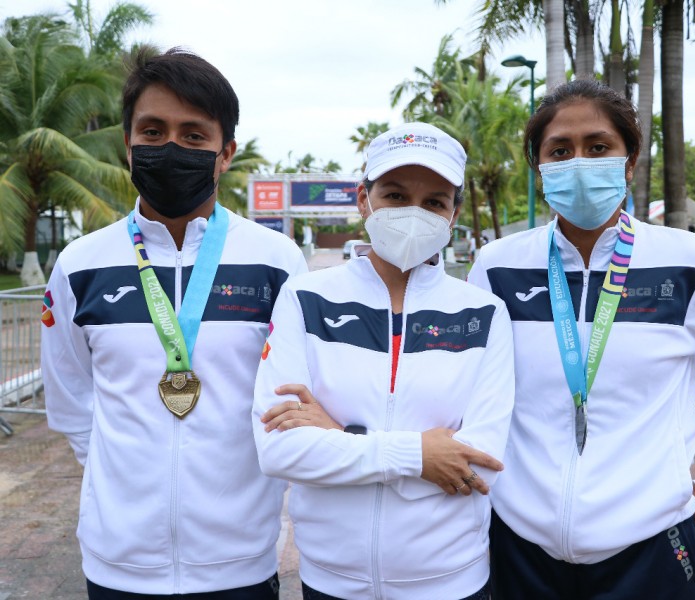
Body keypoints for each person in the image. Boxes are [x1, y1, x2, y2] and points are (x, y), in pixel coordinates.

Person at [467, 80, 695, 600]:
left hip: (649, 546)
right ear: (538, 166)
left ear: (630, 158)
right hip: (519, 544)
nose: (578, 162)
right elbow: (467, 387)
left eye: (598, 147)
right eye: (560, 150)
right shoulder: (498, 266)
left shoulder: (690, 260)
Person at [42, 47, 307, 599]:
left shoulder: (277, 262)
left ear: (225, 152)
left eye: (193, 135)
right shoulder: (80, 264)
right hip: (119, 565)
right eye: (153, 131)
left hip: (240, 564)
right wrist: (127, 483)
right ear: (128, 145)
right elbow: (72, 401)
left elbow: (288, 398)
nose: (171, 147)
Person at [252, 122, 515, 599]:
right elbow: (279, 450)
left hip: (452, 582)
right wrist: (419, 456)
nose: (414, 214)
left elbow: (481, 466)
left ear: (453, 215)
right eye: (395, 195)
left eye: (434, 201)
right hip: (331, 583)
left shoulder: (483, 313)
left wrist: (337, 437)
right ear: (363, 199)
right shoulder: (305, 298)